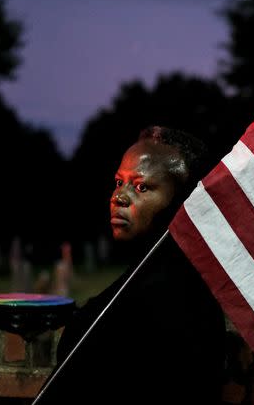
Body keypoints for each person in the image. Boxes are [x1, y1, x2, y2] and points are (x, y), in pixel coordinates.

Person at [39, 126, 226, 404]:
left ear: (182, 199)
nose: (119, 197)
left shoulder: (175, 294)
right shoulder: (145, 275)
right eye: (119, 182)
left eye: (141, 186)